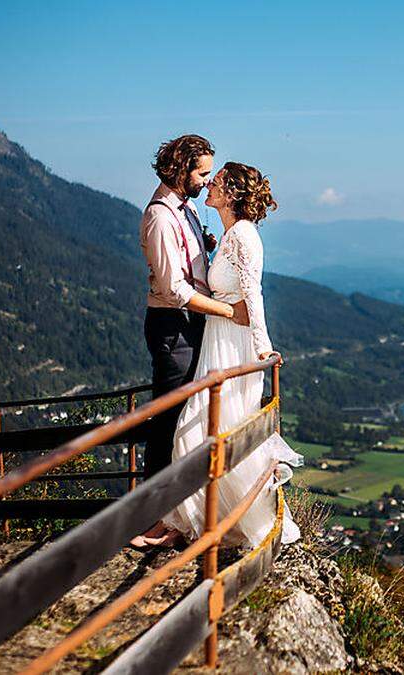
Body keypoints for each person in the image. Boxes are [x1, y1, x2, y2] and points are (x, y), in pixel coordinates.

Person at [147, 162, 302, 548]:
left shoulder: (244, 236)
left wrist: (263, 348)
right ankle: (191, 523)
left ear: (231, 193)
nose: (209, 186)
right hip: (219, 340)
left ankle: (200, 524)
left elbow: (253, 295)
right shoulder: (232, 234)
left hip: (233, 344)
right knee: (207, 429)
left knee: (201, 428)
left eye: (216, 182)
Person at [135, 134, 248, 544]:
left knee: (185, 418)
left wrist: (206, 248)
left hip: (188, 324)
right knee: (168, 420)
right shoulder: (161, 217)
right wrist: (230, 313)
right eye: (202, 172)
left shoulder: (183, 212)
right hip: (173, 325)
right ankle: (152, 519)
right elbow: (174, 290)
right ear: (181, 169)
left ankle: (177, 514)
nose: (207, 179)